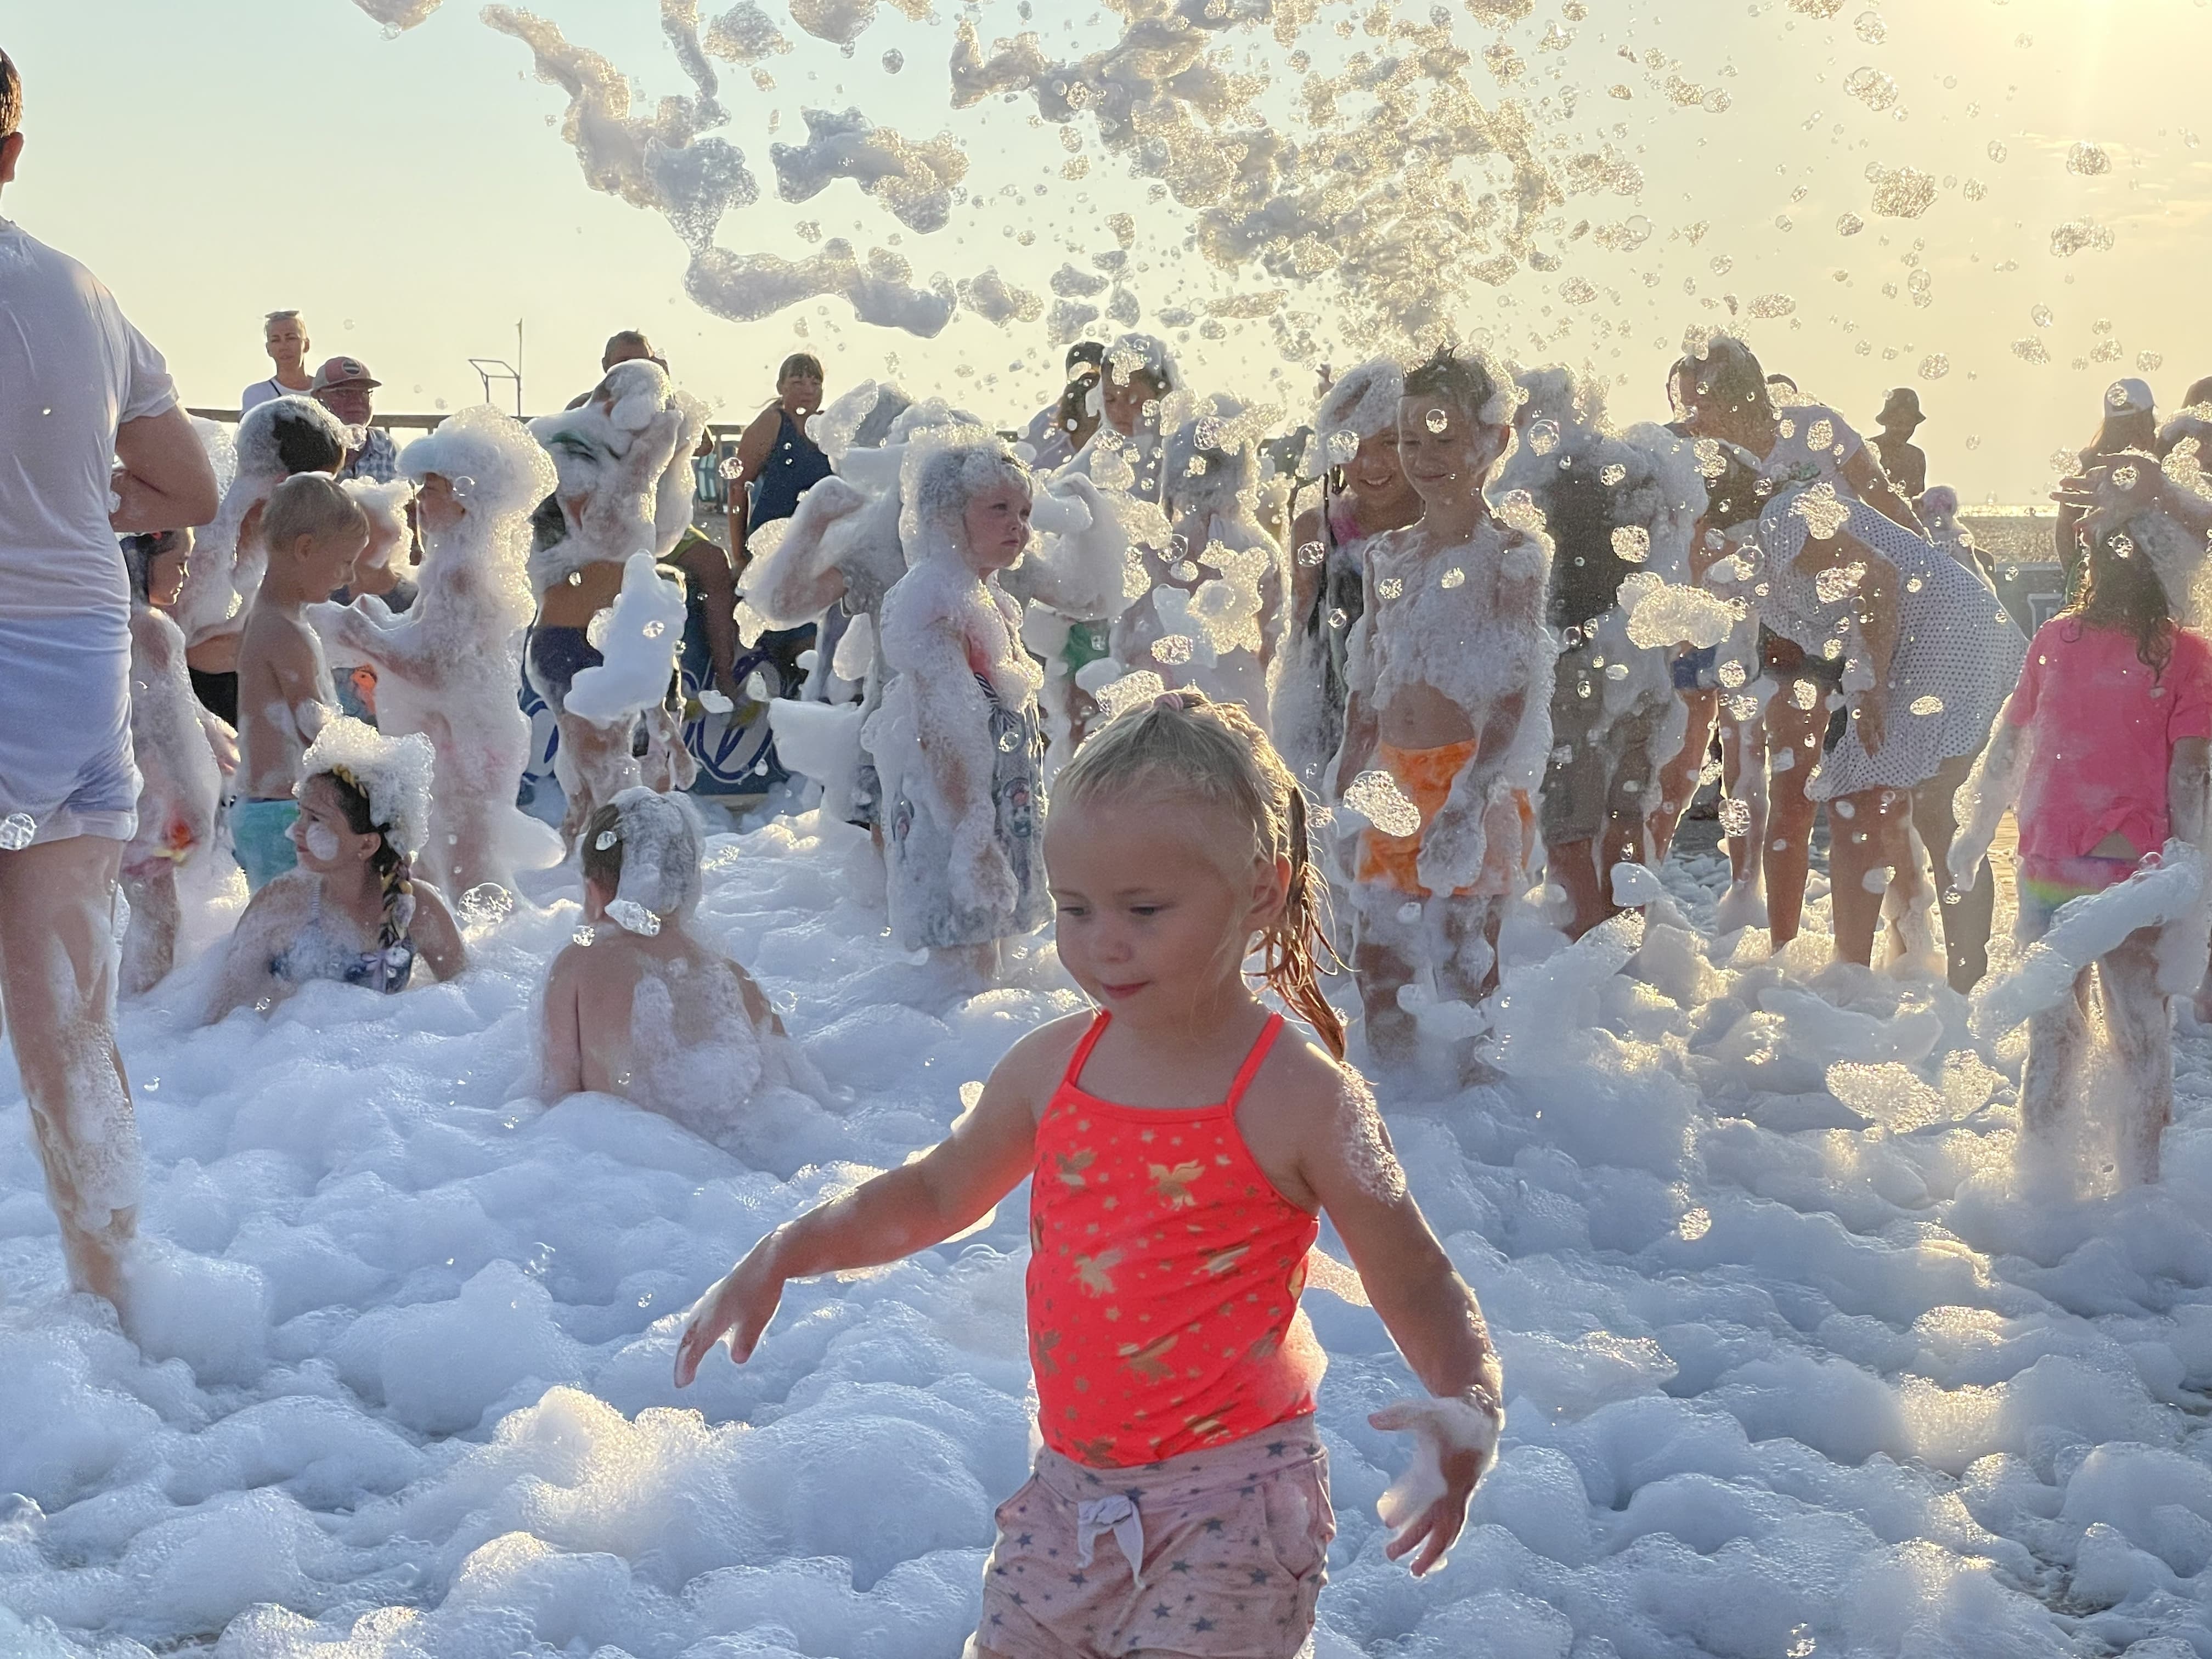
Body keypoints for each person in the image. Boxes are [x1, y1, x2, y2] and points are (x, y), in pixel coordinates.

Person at [674, 691, 1505, 1658]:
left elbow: (1414, 1275)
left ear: (1261, 892)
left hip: (1235, 1500)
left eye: (1144, 910)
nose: (1103, 939)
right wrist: (789, 1248)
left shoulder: (1299, 1095)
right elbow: (935, 1193)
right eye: (1074, 908)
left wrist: (1468, 1399)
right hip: (1068, 1491)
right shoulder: (1050, 1067)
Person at [0, 44, 220, 1308]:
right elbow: (190, 488)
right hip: (73, 671)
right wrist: (88, 501)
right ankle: (122, 1301)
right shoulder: (82, 294)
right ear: (12, 153)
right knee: (69, 1013)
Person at [1677, 334, 2024, 984]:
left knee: (1921, 808)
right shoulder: (1757, 540)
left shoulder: (1781, 515)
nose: (1692, 421)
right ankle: (1882, 977)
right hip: (1917, 633)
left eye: (1701, 406)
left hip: (1939, 638)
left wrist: (1867, 685)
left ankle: (1927, 983)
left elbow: (1880, 577)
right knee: (1869, 803)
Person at [1952, 507, 2212, 1185]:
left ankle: (2040, 1189)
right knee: (2141, 1040)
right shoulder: (2186, 653)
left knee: (2053, 1034)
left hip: (2050, 861)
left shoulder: (2055, 638)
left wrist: (1975, 833)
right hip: (2134, 867)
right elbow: (2192, 772)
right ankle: (2140, 1191)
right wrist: (2192, 863)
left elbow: (2009, 744)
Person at [1334, 347, 1551, 1066]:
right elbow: (1370, 676)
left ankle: (1477, 1103)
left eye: (1443, 439)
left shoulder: (1513, 555)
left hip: (1468, 778)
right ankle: (1398, 1106)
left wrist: (1470, 799)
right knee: (1377, 968)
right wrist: (1347, 777)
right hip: (1392, 780)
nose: (1422, 459)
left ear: (1495, 440)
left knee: (1465, 965)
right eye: (1409, 440)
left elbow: (1515, 687)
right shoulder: (1387, 554)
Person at [316, 405, 563, 899]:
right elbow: (433, 647)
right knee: (438, 861)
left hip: (467, 743)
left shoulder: (461, 573)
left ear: (466, 497)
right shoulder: (456, 561)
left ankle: (492, 945)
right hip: (468, 734)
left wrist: (362, 634)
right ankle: (452, 942)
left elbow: (434, 671)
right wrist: (382, 624)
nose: (420, 500)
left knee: (471, 869)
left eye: (431, 488)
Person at [538, 788, 825, 1141]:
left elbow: (557, 1094)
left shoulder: (579, 963)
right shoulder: (731, 975)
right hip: (735, 1149)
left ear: (593, 888)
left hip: (626, 1153)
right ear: (687, 886)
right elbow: (786, 1075)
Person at [867, 438, 1052, 984]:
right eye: (999, 509)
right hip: (954, 818)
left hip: (986, 815)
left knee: (994, 973)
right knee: (966, 970)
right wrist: (974, 842)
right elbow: (942, 732)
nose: (1018, 525)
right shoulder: (938, 604)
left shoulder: (985, 599)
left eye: (1025, 512)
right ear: (946, 519)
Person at [527, 359, 707, 848]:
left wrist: (671, 451)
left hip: (636, 641)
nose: (644, 418)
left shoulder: (637, 462)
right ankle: (592, 882)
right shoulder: (570, 454)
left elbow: (658, 537)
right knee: (609, 795)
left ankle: (595, 878)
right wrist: (650, 453)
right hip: (574, 641)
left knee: (647, 787)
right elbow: (608, 530)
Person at [204, 717, 465, 1020]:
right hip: (287, 1047)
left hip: (386, 1047)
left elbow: (470, 1002)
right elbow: (220, 1018)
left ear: (367, 845)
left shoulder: (417, 909)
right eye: (300, 814)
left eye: (315, 820)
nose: (294, 831)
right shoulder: (279, 906)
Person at [1274, 358, 1421, 795]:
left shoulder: (1441, 523)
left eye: (1389, 442)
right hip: (1337, 730)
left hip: (1425, 733)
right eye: (1352, 443)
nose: (1370, 463)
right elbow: (1303, 646)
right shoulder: (1318, 529)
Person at [174, 394, 351, 729]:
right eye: (319, 487)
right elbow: (177, 649)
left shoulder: (273, 535)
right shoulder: (207, 540)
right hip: (197, 705)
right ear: (282, 483)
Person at [232, 473, 369, 891]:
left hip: (264, 807)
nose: (349, 576)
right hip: (284, 814)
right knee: (303, 918)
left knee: (280, 915)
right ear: (306, 549)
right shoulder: (285, 631)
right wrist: (374, 767)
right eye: (344, 561)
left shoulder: (269, 617)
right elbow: (313, 726)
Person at [119, 529, 233, 995]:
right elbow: (166, 730)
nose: (186, 574)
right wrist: (189, 805)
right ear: (147, 559)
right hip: (152, 802)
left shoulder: (103, 621)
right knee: (159, 919)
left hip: (111, 791)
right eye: (180, 561)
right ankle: (142, 1010)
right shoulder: (150, 628)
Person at [2054, 379, 2160, 597]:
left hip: (2095, 578)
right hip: (2143, 581)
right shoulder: (2155, 465)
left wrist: (2077, 578)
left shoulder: (2089, 464)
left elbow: (2065, 529)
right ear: (2147, 418)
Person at [310, 356, 399, 484]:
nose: (357, 400)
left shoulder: (387, 447)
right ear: (319, 399)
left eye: (364, 392)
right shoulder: (307, 447)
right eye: (344, 392)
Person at [1022, 340, 1104, 471]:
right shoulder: (1044, 422)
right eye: (1084, 377)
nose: (1091, 384)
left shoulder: (1118, 416)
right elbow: (1020, 467)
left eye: (1097, 377)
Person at [241, 310, 314, 412]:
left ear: (306, 345)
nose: (284, 346)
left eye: (291, 338)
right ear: (268, 349)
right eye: (276, 340)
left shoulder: (328, 391)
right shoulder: (258, 395)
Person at [1872, 388, 1929, 499]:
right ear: (1887, 420)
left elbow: (1915, 501)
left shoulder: (1916, 457)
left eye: (1909, 423)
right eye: (1898, 422)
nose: (1903, 429)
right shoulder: (1869, 448)